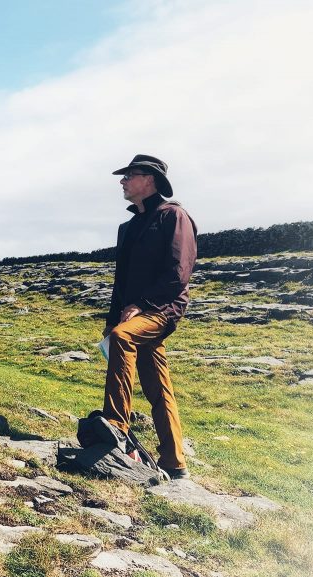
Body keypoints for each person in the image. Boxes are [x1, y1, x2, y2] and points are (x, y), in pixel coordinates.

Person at [102, 154, 197, 480]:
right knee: (158, 386)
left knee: (124, 338)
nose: (123, 181)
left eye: (130, 175)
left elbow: (178, 272)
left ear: (150, 180)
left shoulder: (174, 216)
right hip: (133, 312)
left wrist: (141, 306)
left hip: (162, 309)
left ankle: (115, 425)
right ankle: (174, 460)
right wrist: (113, 318)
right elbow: (121, 279)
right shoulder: (127, 228)